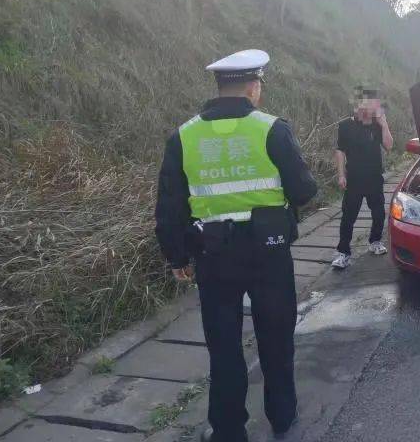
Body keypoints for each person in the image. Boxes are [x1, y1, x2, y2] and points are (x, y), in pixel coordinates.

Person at [155, 49, 317, 442]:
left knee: (224, 346)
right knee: (276, 337)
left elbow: (169, 204)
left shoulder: (184, 135)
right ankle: (282, 415)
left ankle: (228, 430)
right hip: (269, 252)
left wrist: (176, 255)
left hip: (214, 254)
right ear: (252, 87)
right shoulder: (273, 129)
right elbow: (304, 190)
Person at [331, 86, 394, 269]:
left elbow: (389, 146)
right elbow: (340, 151)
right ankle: (343, 252)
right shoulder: (345, 126)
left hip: (374, 178)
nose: (374, 108)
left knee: (379, 213)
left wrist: (384, 124)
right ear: (359, 105)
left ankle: (375, 241)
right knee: (348, 217)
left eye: (376, 104)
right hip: (354, 179)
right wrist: (341, 175)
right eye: (370, 104)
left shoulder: (377, 124)